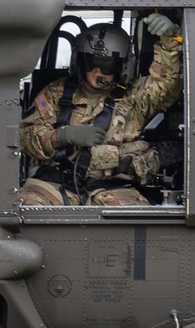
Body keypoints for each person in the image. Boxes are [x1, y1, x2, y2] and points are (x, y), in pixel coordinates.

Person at [19, 13, 182, 206]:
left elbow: (167, 84)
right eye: (90, 62)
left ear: (122, 66)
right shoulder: (57, 92)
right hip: (52, 187)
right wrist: (62, 136)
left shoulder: (134, 96)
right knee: (27, 208)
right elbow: (24, 136)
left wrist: (171, 39)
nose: (97, 71)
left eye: (106, 64)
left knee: (136, 222)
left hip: (113, 190)